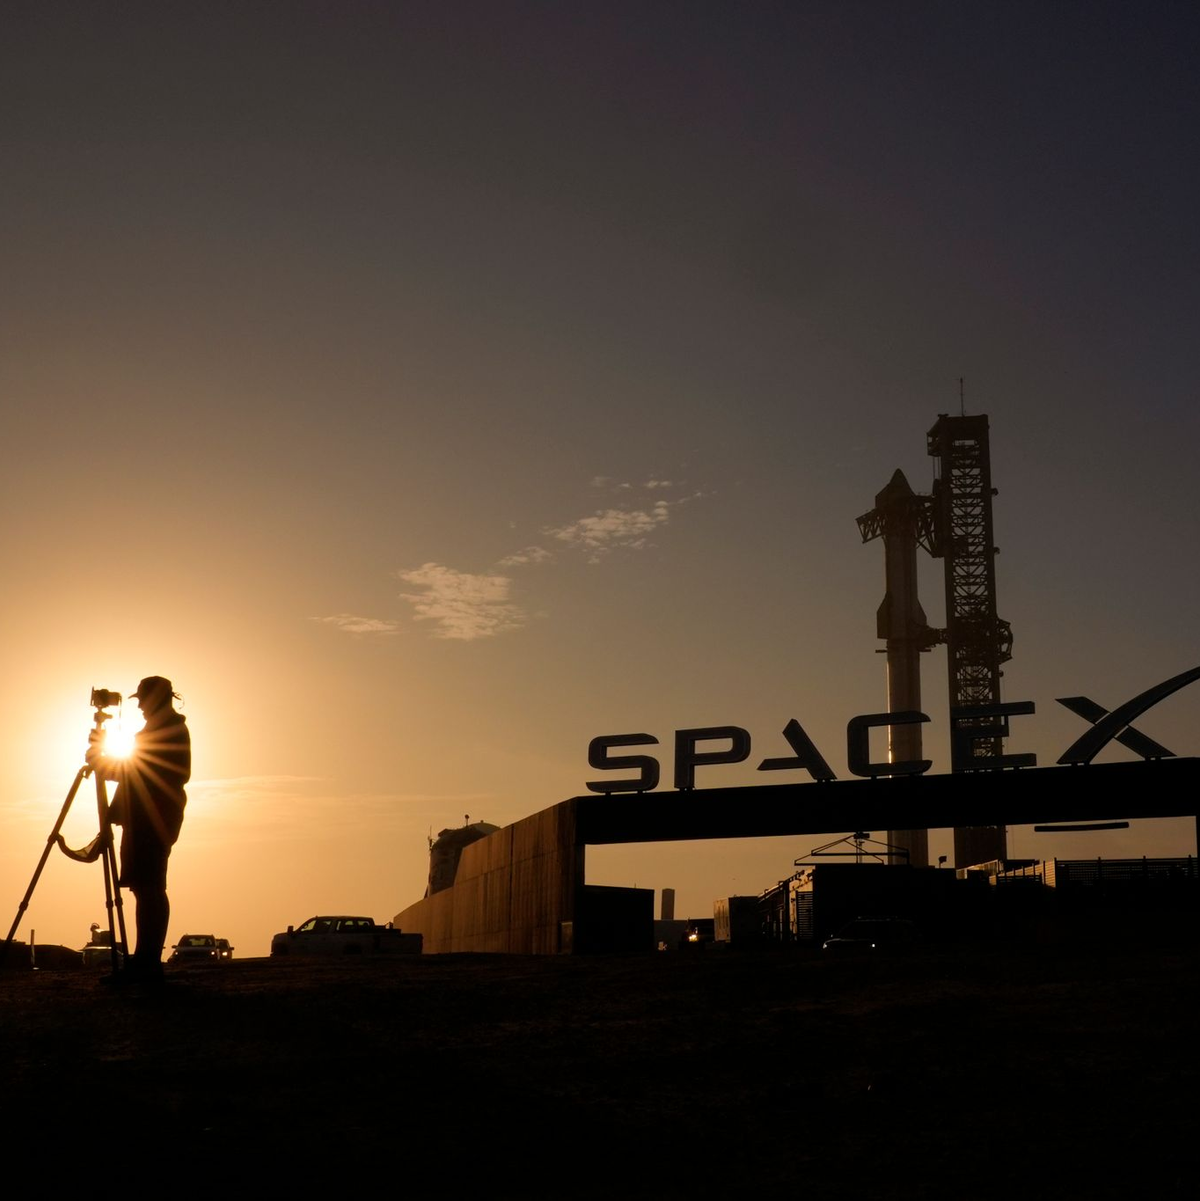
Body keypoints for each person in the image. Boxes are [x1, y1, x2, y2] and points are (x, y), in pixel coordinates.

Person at [88, 675, 190, 981]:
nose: (141, 706)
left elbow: (149, 771)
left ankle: (147, 961)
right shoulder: (160, 729)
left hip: (152, 817)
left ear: (157, 699)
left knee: (150, 888)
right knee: (143, 888)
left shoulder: (169, 729)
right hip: (144, 817)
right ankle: (144, 959)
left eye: (143, 700)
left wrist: (104, 765)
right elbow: (139, 770)